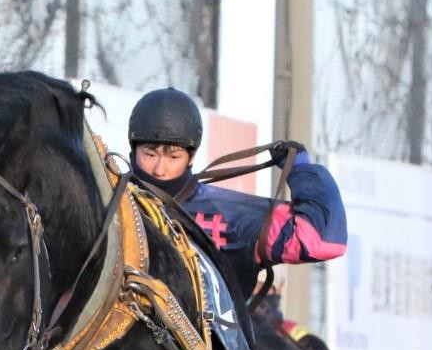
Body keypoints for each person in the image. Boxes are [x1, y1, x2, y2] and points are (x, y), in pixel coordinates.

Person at [127, 87, 347, 301]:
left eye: (173, 157)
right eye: (150, 154)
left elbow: (321, 239)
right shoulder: (112, 203)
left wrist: (301, 170)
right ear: (133, 149)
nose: (159, 169)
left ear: (191, 157)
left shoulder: (232, 216)